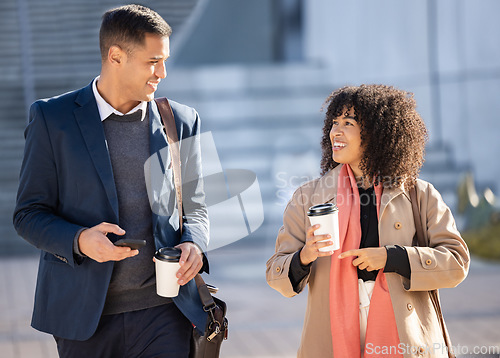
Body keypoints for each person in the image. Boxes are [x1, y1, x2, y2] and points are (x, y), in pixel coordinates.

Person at [13, 5, 209, 357]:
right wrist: (79, 240)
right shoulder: (52, 119)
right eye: (153, 61)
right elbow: (28, 214)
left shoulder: (181, 119)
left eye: (163, 60)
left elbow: (195, 205)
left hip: (164, 312)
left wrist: (194, 243)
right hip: (85, 319)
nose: (162, 72)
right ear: (115, 56)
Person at [266, 84, 470, 358]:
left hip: (403, 328)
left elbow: (457, 261)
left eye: (347, 123)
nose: (335, 132)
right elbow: (274, 273)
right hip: (333, 330)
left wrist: (392, 258)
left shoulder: (419, 194)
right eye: (334, 122)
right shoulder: (308, 195)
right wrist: (304, 256)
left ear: (376, 132)